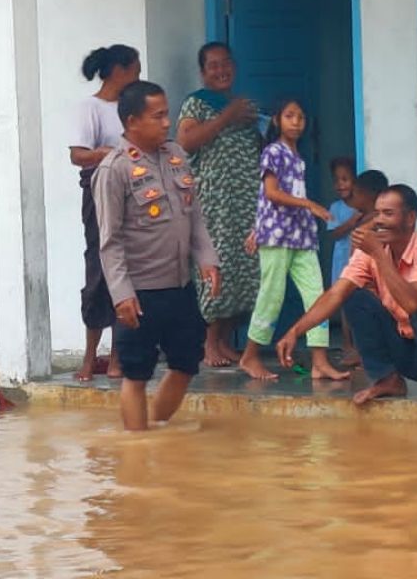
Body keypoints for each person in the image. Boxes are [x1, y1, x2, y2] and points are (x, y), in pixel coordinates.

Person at [275, 184, 417, 417]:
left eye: (388, 214)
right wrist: (294, 331)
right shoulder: (371, 251)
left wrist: (380, 256)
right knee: (355, 297)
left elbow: (412, 304)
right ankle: (388, 378)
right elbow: (336, 294)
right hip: (410, 352)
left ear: (410, 218)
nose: (379, 220)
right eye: (377, 213)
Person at [93, 80, 221, 431]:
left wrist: (207, 259)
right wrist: (121, 295)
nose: (167, 123)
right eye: (159, 116)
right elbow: (110, 241)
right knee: (135, 372)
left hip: (179, 285)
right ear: (132, 121)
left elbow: (194, 216)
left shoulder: (176, 156)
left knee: (186, 363)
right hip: (139, 293)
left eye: (167, 114)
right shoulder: (114, 169)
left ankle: (158, 431)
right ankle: (137, 453)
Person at [238, 98, 347, 381]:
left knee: (317, 296)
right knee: (271, 295)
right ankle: (249, 356)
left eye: (300, 117)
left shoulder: (298, 157)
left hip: (302, 237)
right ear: (277, 120)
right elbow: (271, 193)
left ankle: (320, 361)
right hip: (277, 236)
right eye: (289, 116)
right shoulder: (273, 152)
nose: (296, 122)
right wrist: (308, 204)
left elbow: (267, 200)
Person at [176, 42, 262, 368]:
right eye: (213, 65)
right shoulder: (196, 105)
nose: (221, 70)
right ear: (203, 72)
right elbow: (185, 142)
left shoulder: (243, 105)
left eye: (226, 63)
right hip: (215, 204)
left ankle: (224, 340)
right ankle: (208, 343)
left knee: (246, 270)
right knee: (218, 268)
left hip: (247, 204)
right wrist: (228, 116)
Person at [69, 44, 142, 382]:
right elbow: (78, 156)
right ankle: (89, 356)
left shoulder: (134, 107)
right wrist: (109, 154)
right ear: (118, 71)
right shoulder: (91, 108)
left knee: (124, 270)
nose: (138, 76)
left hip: (134, 195)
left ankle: (116, 357)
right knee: (98, 268)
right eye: (134, 69)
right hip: (99, 193)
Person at [327, 166, 390, 368]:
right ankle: (359, 349)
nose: (352, 199)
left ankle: (368, 353)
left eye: (356, 194)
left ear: (366, 195)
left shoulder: (370, 226)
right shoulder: (367, 221)